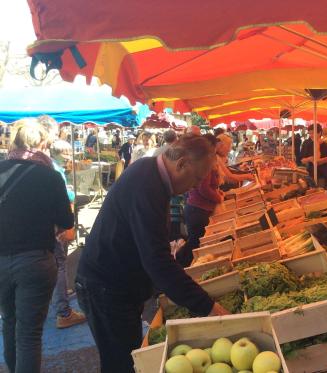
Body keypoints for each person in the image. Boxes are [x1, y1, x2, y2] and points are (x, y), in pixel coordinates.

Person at [75, 134, 229, 373]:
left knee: (127, 358)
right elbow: (156, 260)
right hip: (106, 289)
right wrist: (207, 307)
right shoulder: (147, 185)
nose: (197, 186)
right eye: (197, 178)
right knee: (122, 364)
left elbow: (150, 246)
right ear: (181, 164)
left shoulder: (150, 173)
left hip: (118, 286)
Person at [0, 119, 74, 373]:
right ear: (42, 144)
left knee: (9, 323)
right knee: (29, 334)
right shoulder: (50, 175)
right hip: (35, 260)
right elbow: (66, 221)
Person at [50, 140, 87, 329]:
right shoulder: (54, 171)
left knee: (58, 265)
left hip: (48, 227)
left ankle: (61, 294)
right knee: (61, 265)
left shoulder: (51, 167)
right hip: (57, 228)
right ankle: (64, 311)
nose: (68, 158)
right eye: (65, 154)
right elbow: (64, 199)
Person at [176, 134, 224, 267]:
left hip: (199, 209)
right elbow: (203, 188)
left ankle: (181, 263)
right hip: (198, 210)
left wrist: (217, 192)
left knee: (195, 241)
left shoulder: (207, 162)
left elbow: (208, 187)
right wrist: (218, 197)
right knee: (195, 242)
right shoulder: (205, 163)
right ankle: (181, 263)